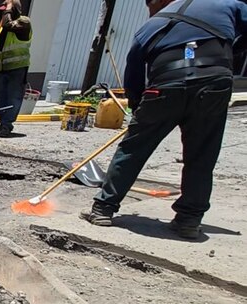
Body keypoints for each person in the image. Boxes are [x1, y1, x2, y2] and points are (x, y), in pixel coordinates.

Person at [80, 0, 247, 240]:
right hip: (211, 85)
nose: (151, 11)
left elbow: (133, 73)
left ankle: (103, 209)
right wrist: (233, 48)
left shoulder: (151, 26)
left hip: (165, 87)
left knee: (133, 149)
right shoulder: (225, 4)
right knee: (201, 153)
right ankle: (189, 220)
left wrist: (138, 108)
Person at [0, 0, 32, 138]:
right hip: (3, 68)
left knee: (13, 97)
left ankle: (7, 125)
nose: (2, 14)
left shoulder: (24, 22)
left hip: (17, 68)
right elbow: (0, 48)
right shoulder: (0, 28)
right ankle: (2, 123)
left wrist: (9, 8)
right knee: (0, 98)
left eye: (5, 12)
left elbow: (9, 25)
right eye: (1, 12)